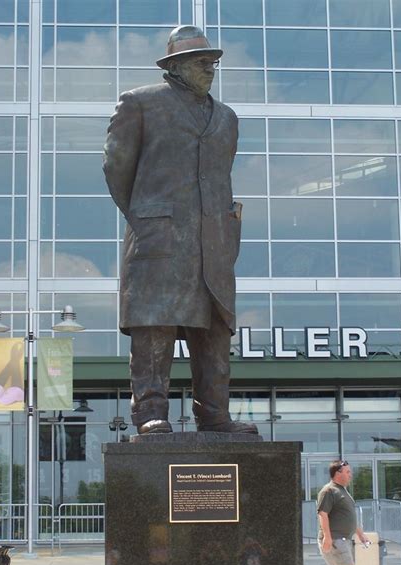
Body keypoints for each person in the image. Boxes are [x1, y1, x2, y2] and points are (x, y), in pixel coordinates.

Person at [103, 25, 257, 436]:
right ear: (175, 66)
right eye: (202, 61)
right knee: (155, 326)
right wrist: (147, 215)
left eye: (214, 62)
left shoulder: (226, 118)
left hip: (214, 242)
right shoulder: (140, 103)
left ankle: (214, 414)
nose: (211, 68)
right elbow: (117, 169)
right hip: (160, 238)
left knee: (214, 330)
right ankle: (150, 411)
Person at [317, 460, 370, 565]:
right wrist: (327, 537)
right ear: (337, 473)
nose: (350, 475)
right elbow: (322, 514)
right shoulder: (329, 491)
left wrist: (361, 535)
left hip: (343, 540)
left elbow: (349, 516)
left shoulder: (343, 491)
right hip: (335, 539)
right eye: (347, 472)